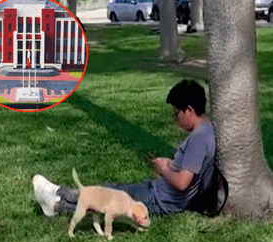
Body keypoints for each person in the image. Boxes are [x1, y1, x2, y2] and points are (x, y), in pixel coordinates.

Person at [34, 79, 215, 217]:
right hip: (160, 193)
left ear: (189, 110)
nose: (175, 119)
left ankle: (58, 200)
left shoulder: (198, 140)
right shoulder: (206, 131)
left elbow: (182, 183)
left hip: (160, 199)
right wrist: (170, 164)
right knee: (110, 192)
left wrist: (163, 169)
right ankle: (58, 198)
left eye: (177, 114)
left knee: (107, 198)